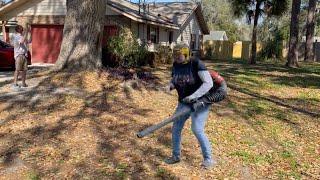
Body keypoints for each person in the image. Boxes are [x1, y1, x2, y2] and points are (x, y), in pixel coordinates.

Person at [165, 43, 216, 169]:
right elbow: (175, 80)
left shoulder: (196, 64)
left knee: (197, 129)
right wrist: (170, 86)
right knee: (176, 128)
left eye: (179, 55)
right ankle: (175, 156)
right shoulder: (176, 64)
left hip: (199, 103)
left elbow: (208, 83)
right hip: (183, 102)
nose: (176, 57)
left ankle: (208, 159)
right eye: (174, 55)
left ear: (186, 54)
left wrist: (194, 96)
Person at [12, 24, 29, 89]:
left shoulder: (22, 36)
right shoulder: (16, 36)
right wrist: (27, 32)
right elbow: (22, 42)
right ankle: (15, 83)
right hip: (19, 55)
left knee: (24, 70)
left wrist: (29, 33)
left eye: (23, 29)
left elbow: (28, 41)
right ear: (18, 30)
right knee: (17, 70)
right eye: (22, 29)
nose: (22, 30)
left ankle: (23, 83)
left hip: (24, 55)